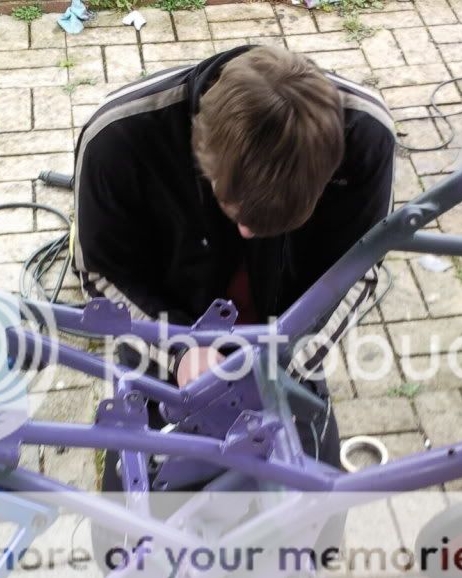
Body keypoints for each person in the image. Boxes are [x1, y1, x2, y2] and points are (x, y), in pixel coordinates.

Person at [72, 44, 396, 493]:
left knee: (315, 505)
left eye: (277, 224)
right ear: (199, 152)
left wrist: (287, 363)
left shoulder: (368, 140)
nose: (247, 233)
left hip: (284, 353)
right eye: (235, 211)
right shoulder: (118, 140)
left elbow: (361, 269)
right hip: (165, 342)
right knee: (132, 513)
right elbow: (99, 272)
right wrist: (180, 350)